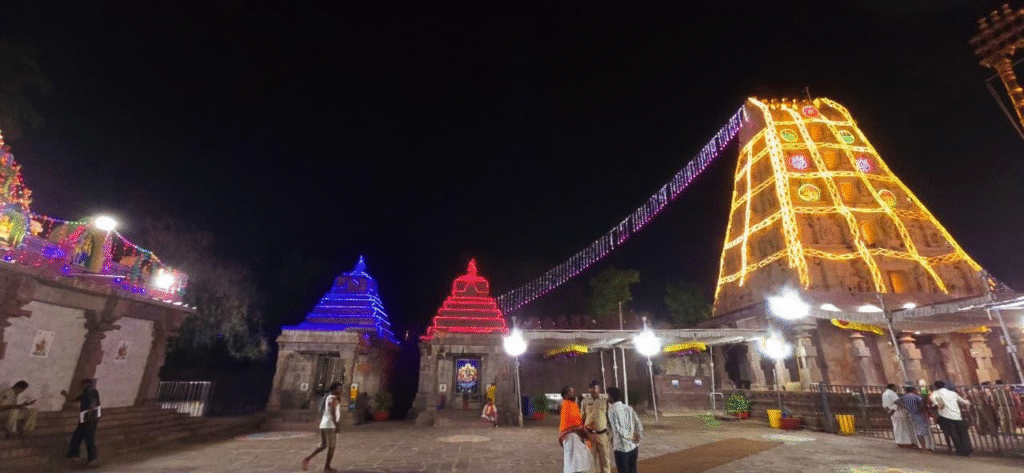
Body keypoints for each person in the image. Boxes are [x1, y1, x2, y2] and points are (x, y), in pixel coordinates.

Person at [303, 382, 343, 472]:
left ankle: (307, 458)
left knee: (323, 445)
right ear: (334, 389)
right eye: (338, 388)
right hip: (330, 425)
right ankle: (327, 467)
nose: (340, 390)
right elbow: (332, 412)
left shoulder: (328, 397)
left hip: (324, 423)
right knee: (332, 447)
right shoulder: (333, 398)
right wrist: (337, 425)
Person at [62, 378, 101, 467]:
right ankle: (75, 456)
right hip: (87, 417)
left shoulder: (91, 391)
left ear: (86, 384)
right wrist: (65, 395)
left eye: (82, 384)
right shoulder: (85, 393)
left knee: (88, 437)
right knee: (78, 435)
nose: (80, 386)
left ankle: (91, 459)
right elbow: (72, 400)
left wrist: (90, 415)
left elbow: (93, 403)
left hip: (90, 417)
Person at [930, 381, 972, 456]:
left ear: (935, 386)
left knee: (954, 435)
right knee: (963, 434)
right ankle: (967, 450)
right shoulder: (953, 393)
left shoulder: (935, 393)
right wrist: (968, 401)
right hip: (958, 416)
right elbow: (964, 402)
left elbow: (932, 399)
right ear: (945, 385)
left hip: (946, 417)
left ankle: (960, 451)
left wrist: (936, 404)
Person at [607, 386, 642, 473]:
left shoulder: (612, 410)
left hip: (621, 448)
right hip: (633, 446)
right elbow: (638, 423)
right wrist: (638, 436)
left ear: (612, 397)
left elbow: (618, 429)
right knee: (633, 470)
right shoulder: (628, 408)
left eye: (608, 396)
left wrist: (631, 436)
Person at [558, 385, 592, 473]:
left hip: (576, 436)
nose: (573, 393)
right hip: (570, 437)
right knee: (571, 462)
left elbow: (577, 421)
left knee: (578, 461)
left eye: (573, 391)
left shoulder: (573, 405)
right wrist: (581, 430)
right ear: (565, 395)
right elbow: (570, 423)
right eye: (570, 391)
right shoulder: (566, 405)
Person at [580, 380, 611, 473]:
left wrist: (610, 431)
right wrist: (582, 433)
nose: (592, 390)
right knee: (590, 461)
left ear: (599, 389)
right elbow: (582, 417)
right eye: (590, 388)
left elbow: (609, 416)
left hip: (602, 435)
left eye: (594, 388)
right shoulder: (585, 401)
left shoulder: (605, 401)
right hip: (589, 435)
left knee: (605, 460)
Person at [899, 386, 933, 452]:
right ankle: (925, 448)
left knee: (917, 431)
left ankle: (922, 447)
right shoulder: (917, 397)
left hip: (911, 414)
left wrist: (906, 407)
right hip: (919, 414)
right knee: (922, 431)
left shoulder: (904, 397)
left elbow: (897, 402)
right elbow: (922, 404)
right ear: (913, 390)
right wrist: (922, 409)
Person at [882, 383, 915, 448]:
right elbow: (897, 401)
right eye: (895, 387)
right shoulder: (891, 393)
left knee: (897, 427)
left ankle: (900, 441)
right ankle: (905, 442)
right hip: (897, 411)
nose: (896, 389)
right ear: (892, 387)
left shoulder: (885, 393)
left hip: (892, 412)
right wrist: (906, 407)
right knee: (902, 427)